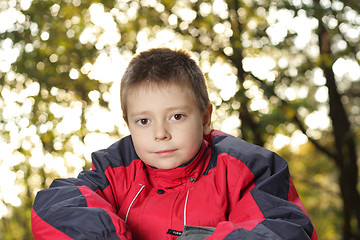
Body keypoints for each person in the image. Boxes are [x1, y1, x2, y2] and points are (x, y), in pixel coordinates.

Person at [31, 48, 317, 240]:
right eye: (144, 121)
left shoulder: (248, 168)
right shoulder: (114, 171)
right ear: (128, 124)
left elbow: (285, 229)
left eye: (177, 116)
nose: (160, 133)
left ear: (205, 118)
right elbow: (54, 206)